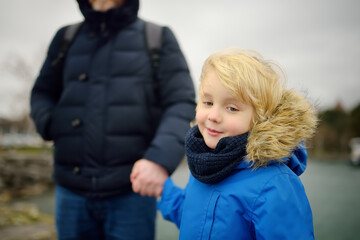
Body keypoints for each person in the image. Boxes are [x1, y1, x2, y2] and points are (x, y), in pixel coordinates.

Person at [30, 0, 196, 239]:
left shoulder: (158, 37)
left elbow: (181, 102)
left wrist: (159, 160)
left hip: (131, 193)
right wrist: (51, 125)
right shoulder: (66, 37)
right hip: (70, 191)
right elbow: (42, 93)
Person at [157, 48, 318, 239]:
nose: (213, 116)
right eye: (208, 102)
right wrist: (162, 187)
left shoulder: (275, 185)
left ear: (259, 118)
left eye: (232, 108)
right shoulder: (204, 166)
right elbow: (194, 216)